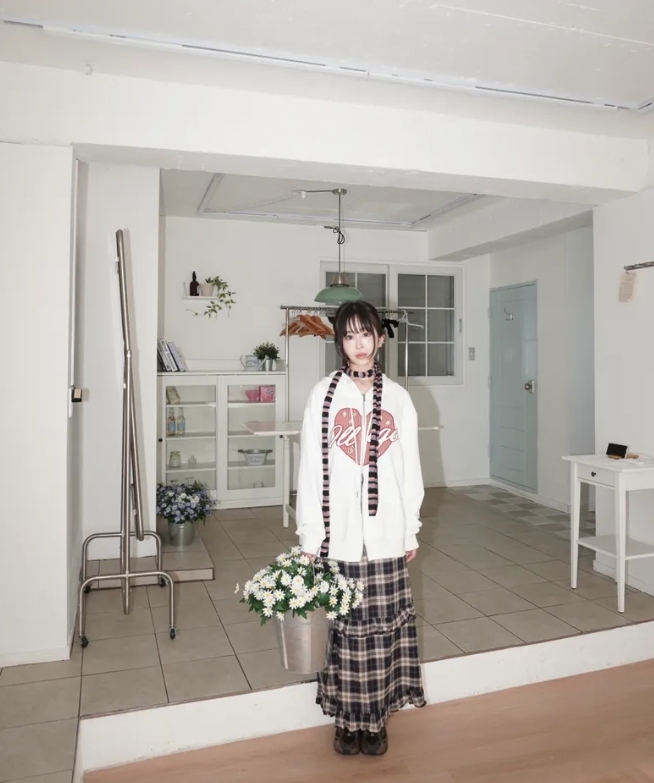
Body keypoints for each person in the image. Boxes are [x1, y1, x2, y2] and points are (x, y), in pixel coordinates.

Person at [295, 300, 426, 757]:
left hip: (387, 535)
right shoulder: (322, 395)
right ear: (340, 343)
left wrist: (409, 529)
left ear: (380, 338)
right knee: (345, 633)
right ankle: (346, 721)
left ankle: (376, 722)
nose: (359, 344)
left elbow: (410, 469)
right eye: (349, 336)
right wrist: (310, 535)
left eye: (365, 333)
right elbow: (310, 469)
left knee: (383, 634)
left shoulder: (399, 399)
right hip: (340, 538)